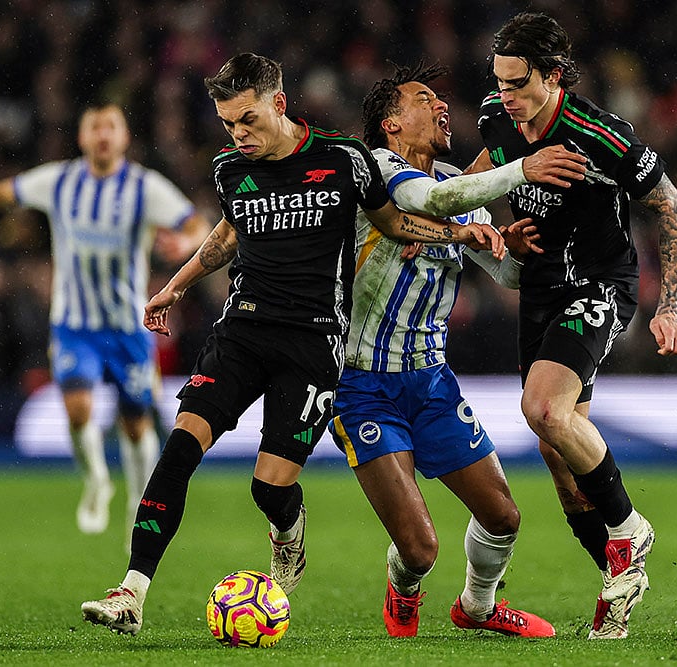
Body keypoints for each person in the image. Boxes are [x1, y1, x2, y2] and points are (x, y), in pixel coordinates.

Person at [79, 52, 505, 636]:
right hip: (243, 331)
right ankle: (131, 591)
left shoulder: (343, 159)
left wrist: (458, 232)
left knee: (268, 487)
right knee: (179, 449)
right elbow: (229, 233)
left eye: (247, 119)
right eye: (228, 123)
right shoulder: (230, 169)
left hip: (313, 345)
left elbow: (392, 222)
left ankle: (287, 527)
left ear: (278, 104)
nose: (238, 133)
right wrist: (175, 285)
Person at [328, 62, 589, 639]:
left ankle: (477, 606)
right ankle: (404, 586)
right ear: (391, 123)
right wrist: (522, 168)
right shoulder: (375, 171)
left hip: (431, 382)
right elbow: (435, 199)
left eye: (441, 99)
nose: (442, 106)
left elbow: (506, 274)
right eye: (425, 100)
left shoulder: (456, 187)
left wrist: (511, 248)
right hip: (362, 384)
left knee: (503, 516)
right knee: (420, 549)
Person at [472, 12, 677, 639]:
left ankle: (629, 528)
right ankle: (619, 579)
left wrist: (668, 307)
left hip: (598, 286)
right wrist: (483, 227)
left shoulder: (600, 134)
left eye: (518, 83)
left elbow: (671, 206)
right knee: (561, 463)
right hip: (540, 290)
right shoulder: (497, 119)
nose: (505, 96)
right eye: (499, 82)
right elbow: (475, 182)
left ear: (553, 76)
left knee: (543, 409)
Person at [0, 103, 208, 538]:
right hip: (74, 324)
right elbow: (3, 193)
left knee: (135, 424)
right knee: (77, 409)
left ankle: (138, 497)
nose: (103, 135)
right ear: (82, 137)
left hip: (129, 326)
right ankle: (96, 480)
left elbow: (196, 223)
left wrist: (186, 242)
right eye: (95, 127)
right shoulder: (60, 181)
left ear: (125, 137)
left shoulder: (145, 188)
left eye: (111, 127)